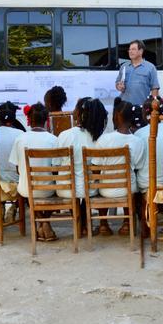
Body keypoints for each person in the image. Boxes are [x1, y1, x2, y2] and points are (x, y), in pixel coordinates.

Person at [56, 98, 109, 236]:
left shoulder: (64, 135)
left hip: (66, 189)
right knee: (86, 187)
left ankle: (79, 224)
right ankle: (86, 224)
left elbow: (55, 165)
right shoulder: (99, 138)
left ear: (79, 113)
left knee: (77, 186)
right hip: (90, 190)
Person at [93, 97, 146, 236]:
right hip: (128, 190)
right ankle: (127, 224)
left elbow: (96, 168)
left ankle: (103, 224)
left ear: (115, 117)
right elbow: (139, 166)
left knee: (99, 180)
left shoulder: (104, 139)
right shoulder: (138, 141)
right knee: (134, 184)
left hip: (105, 190)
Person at [8, 103, 59, 241]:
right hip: (49, 190)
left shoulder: (20, 139)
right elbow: (57, 171)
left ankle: (42, 222)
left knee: (27, 189)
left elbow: (18, 170)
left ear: (29, 120)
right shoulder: (54, 140)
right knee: (52, 187)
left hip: (27, 189)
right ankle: (45, 222)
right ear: (46, 120)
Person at [134, 95, 163, 226]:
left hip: (144, 182)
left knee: (135, 174)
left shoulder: (138, 134)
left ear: (144, 114)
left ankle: (143, 218)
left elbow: (137, 163)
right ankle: (160, 209)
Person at [115, 39, 159, 105]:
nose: (130, 51)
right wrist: (119, 86)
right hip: (124, 107)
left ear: (141, 51)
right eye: (129, 49)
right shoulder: (124, 66)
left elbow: (154, 88)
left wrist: (153, 106)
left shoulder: (150, 67)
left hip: (141, 107)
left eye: (133, 49)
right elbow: (117, 83)